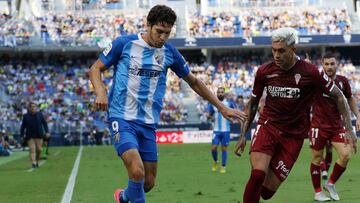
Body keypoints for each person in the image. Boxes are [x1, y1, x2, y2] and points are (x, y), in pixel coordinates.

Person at [89, 5, 244, 203]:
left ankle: (123, 196)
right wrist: (101, 92)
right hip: (121, 117)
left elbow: (194, 82)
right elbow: (95, 68)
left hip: (147, 123)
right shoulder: (124, 44)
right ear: (148, 25)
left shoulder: (170, 53)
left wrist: (222, 107)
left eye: (167, 33)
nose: (162, 37)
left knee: (148, 182)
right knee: (136, 171)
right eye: (159, 32)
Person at [234, 27, 357, 203]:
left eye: (281, 51)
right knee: (258, 174)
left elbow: (339, 96)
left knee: (266, 193)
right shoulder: (264, 71)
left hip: (293, 137)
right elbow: (253, 103)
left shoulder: (311, 72)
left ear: (293, 50)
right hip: (268, 127)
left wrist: (349, 128)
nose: (276, 55)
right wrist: (242, 135)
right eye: (274, 50)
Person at [308, 53, 360, 201]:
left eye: (332, 64)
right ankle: (318, 192)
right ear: (322, 65)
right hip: (318, 126)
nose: (329, 67)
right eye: (327, 64)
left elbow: (350, 99)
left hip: (337, 127)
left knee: (345, 155)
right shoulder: (317, 81)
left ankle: (330, 184)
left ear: (337, 65)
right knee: (317, 158)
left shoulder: (343, 81)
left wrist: (358, 116)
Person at [209, 87, 235, 173]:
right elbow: (210, 115)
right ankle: (216, 161)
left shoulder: (229, 103)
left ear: (224, 94)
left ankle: (223, 166)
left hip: (226, 131)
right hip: (216, 130)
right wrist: (209, 117)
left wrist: (232, 118)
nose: (220, 94)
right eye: (219, 92)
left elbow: (234, 112)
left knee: (224, 149)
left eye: (222, 92)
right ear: (216, 94)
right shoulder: (213, 104)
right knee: (213, 148)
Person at [20, 102, 50, 168]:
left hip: (39, 135)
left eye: (34, 106)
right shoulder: (26, 116)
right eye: (32, 107)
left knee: (39, 149)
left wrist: (47, 132)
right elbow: (23, 127)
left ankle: (36, 160)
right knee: (32, 149)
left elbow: (44, 123)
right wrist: (22, 135)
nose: (33, 108)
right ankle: (33, 162)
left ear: (36, 108)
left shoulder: (40, 115)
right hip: (30, 135)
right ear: (29, 108)